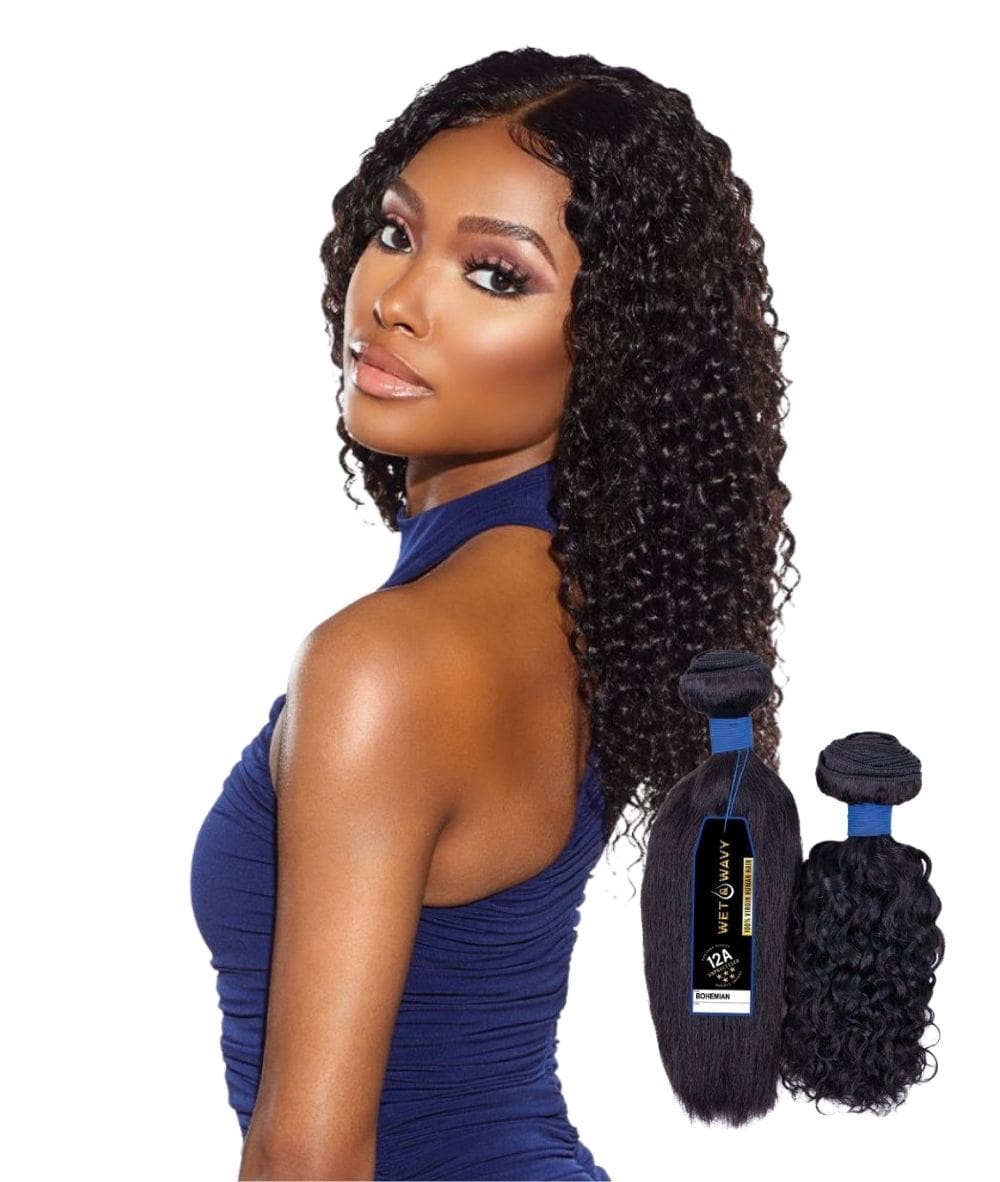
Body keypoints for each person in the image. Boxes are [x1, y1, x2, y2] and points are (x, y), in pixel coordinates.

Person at [191, 46, 797, 1181]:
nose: (395, 302)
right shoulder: (591, 603)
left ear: (612, 344)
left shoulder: (391, 662)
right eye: (396, 231)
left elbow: (307, 1157)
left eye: (496, 275)